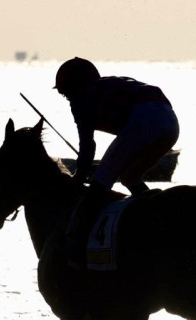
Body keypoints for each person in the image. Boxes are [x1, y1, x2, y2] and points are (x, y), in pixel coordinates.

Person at [54, 57, 179, 266]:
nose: (67, 98)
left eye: (65, 92)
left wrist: (78, 177)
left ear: (73, 87)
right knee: (129, 176)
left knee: (98, 187)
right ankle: (154, 216)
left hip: (144, 120)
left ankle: (74, 254)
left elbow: (87, 146)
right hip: (170, 122)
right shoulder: (106, 85)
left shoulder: (80, 97)